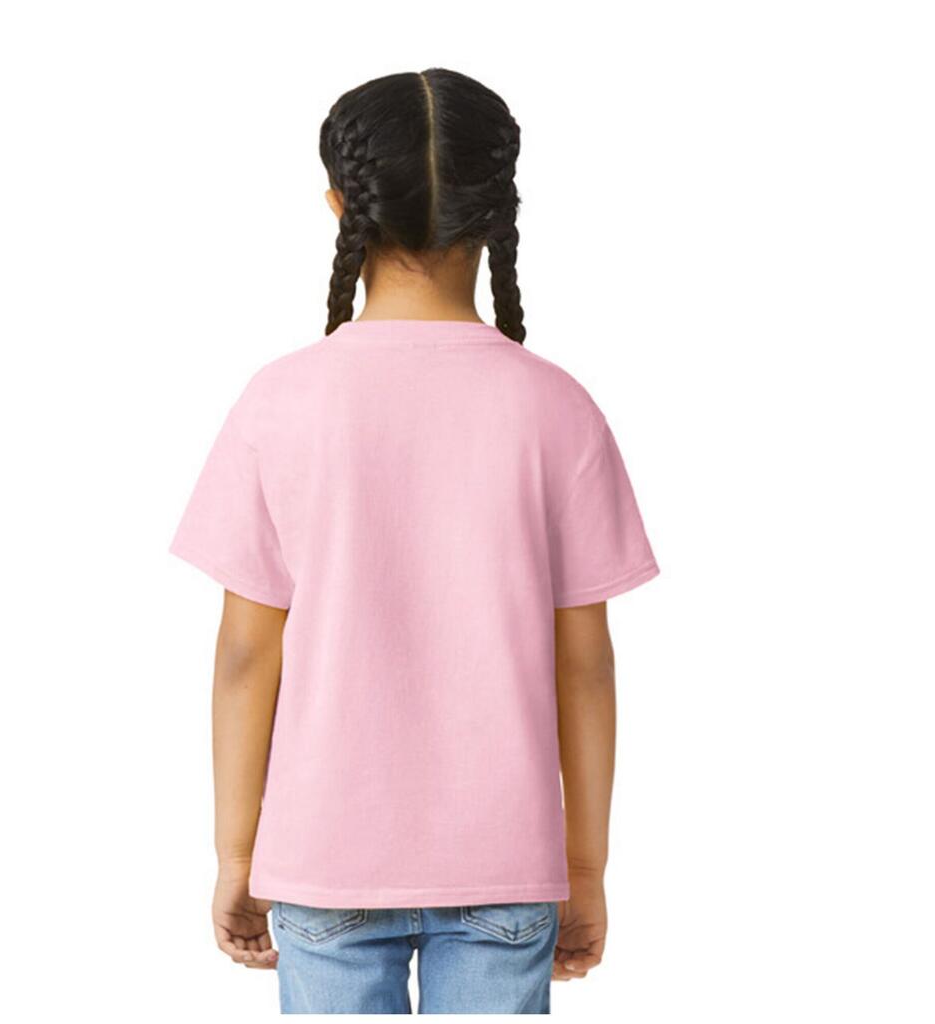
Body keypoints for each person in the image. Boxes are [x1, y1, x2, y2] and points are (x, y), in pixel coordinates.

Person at [169, 68, 660, 1015]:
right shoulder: (557, 406)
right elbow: (586, 665)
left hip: (323, 861)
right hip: (506, 861)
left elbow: (245, 656)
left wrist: (237, 854)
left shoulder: (280, 401)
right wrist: (585, 869)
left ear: (339, 206)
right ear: (497, 214)